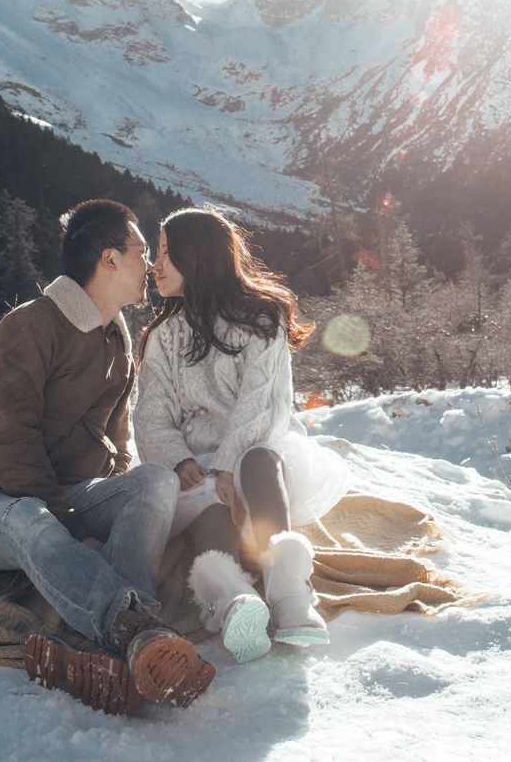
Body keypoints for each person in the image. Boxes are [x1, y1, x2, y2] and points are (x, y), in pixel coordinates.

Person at [0, 199, 211, 716]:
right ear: (108, 259)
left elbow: (117, 438)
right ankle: (137, 627)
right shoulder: (30, 326)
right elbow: (7, 442)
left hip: (61, 497)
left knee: (154, 482)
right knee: (30, 516)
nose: (150, 264)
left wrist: (117, 495)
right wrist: (70, 527)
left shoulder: (116, 336)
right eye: (141, 251)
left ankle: (105, 649)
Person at [134, 207, 349, 663]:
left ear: (198, 256)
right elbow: (151, 413)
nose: (155, 265)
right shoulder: (164, 337)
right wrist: (179, 460)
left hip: (259, 459)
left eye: (167, 253)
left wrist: (228, 466)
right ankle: (234, 602)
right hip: (200, 468)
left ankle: (290, 594)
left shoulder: (260, 320)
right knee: (210, 501)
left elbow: (261, 406)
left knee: (255, 462)